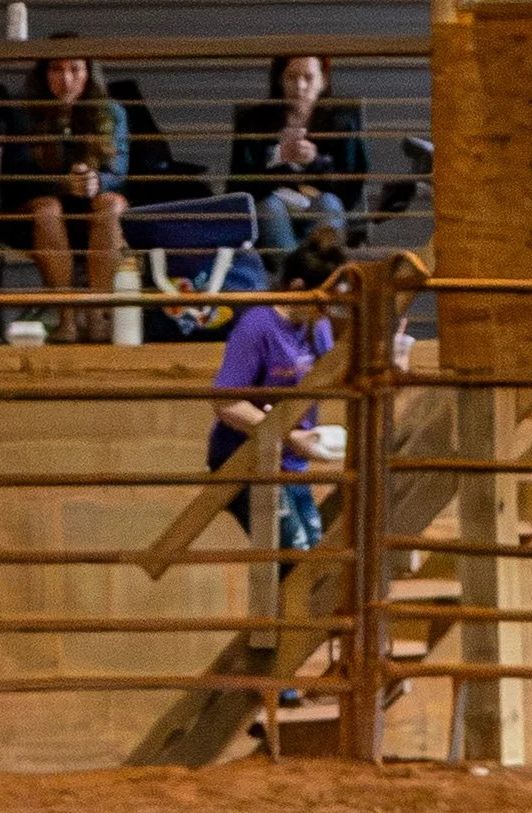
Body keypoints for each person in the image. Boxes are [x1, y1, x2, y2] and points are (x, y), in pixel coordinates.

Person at [207, 230, 346, 568]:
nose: (329, 311)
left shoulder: (317, 325)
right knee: (297, 562)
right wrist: (289, 435)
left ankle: (293, 620)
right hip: (247, 460)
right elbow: (226, 401)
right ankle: (289, 621)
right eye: (324, 301)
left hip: (290, 462)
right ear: (297, 288)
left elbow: (336, 376)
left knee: (313, 560)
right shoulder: (258, 325)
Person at [0, 47, 128, 342]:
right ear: (44, 75)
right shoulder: (23, 113)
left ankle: (97, 314)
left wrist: (97, 181)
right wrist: (61, 184)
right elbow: (17, 174)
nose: (66, 79)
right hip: (39, 211)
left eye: (75, 69)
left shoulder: (111, 112)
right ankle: (66, 316)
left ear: (88, 73)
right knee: (48, 208)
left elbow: (119, 172)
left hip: (94, 208)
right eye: (57, 69)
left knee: (109, 204)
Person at [227, 55, 367, 264]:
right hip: (274, 204)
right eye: (292, 77)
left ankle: (318, 276)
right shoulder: (254, 120)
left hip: (320, 202)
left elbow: (351, 188)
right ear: (280, 80)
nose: (300, 86)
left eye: (308, 78)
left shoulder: (342, 120)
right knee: (269, 207)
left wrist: (315, 162)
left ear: (323, 80)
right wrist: (278, 157)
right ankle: (293, 281)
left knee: (329, 203)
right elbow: (238, 186)